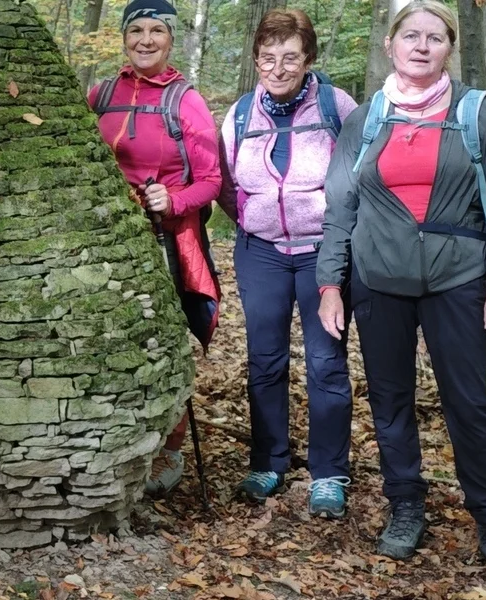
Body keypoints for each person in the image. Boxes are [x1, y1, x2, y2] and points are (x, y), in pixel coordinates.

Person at [316, 0, 486, 589]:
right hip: (377, 281)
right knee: (390, 402)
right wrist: (330, 284)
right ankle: (406, 505)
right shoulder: (365, 119)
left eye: (434, 38)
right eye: (409, 35)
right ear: (390, 45)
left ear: (449, 49)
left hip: (456, 279)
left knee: (468, 402)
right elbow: (340, 207)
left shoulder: (474, 112)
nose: (421, 45)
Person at [218, 8, 356, 516]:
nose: (278, 68)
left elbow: (359, 177)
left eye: (290, 58)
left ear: (308, 59)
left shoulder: (336, 106)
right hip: (262, 253)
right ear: (256, 60)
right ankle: (269, 461)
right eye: (268, 58)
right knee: (265, 361)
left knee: (325, 361)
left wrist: (331, 237)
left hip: (325, 254)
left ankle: (329, 472)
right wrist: (260, 222)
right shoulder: (238, 115)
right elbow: (229, 188)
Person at [86, 0, 225, 495]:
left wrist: (174, 199)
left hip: (165, 235)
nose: (145, 40)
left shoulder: (186, 100)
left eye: (156, 31)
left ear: (171, 39)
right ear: (124, 37)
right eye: (136, 30)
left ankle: (170, 450)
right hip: (106, 241)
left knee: (165, 339)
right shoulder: (102, 93)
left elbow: (211, 179)